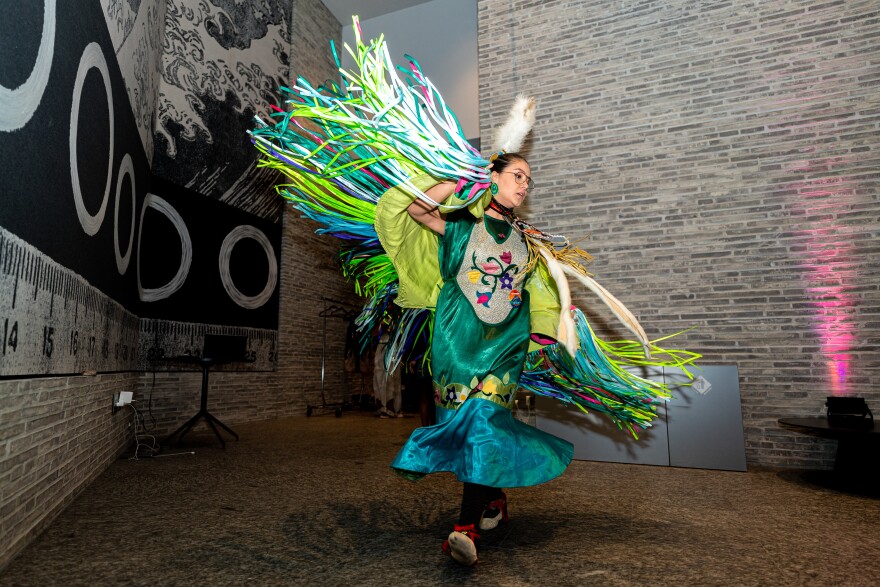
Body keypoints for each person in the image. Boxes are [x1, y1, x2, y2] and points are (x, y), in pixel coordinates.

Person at [388, 152, 574, 566]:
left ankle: (464, 528)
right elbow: (417, 208)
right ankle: (494, 499)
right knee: (466, 427)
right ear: (493, 176)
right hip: (458, 342)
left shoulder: (529, 239)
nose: (525, 184)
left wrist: (560, 319)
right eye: (517, 175)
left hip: (506, 343)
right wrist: (459, 183)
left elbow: (542, 289)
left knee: (484, 423)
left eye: (529, 178)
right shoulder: (460, 224)